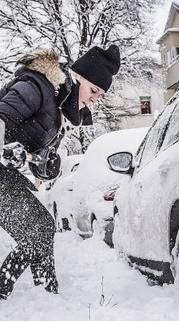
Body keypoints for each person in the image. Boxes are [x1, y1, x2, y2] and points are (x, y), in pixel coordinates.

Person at [0, 44, 120, 300]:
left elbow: (33, 160)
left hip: (5, 173)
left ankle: (46, 294)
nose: (93, 99)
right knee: (40, 228)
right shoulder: (37, 85)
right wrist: (9, 148)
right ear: (78, 78)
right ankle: (22, 290)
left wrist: (44, 166)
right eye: (93, 90)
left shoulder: (56, 110)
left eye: (98, 95)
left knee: (41, 227)